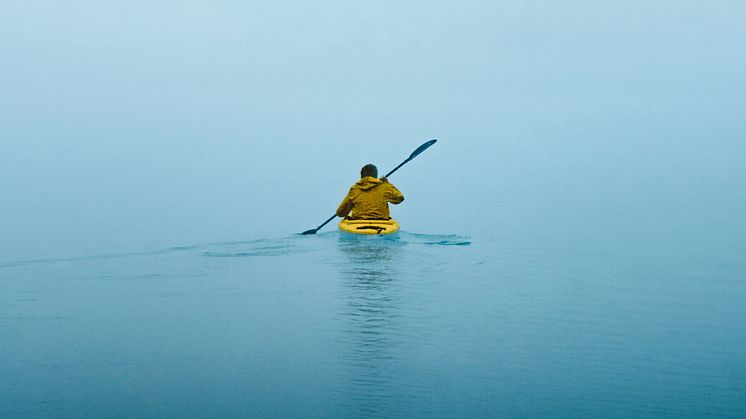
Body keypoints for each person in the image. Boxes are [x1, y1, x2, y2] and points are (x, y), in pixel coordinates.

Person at [336, 164, 404, 220]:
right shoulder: (384, 187)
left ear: (361, 176)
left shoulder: (354, 189)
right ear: (375, 176)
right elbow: (400, 198)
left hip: (358, 224)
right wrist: (387, 183)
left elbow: (341, 213)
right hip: (382, 224)